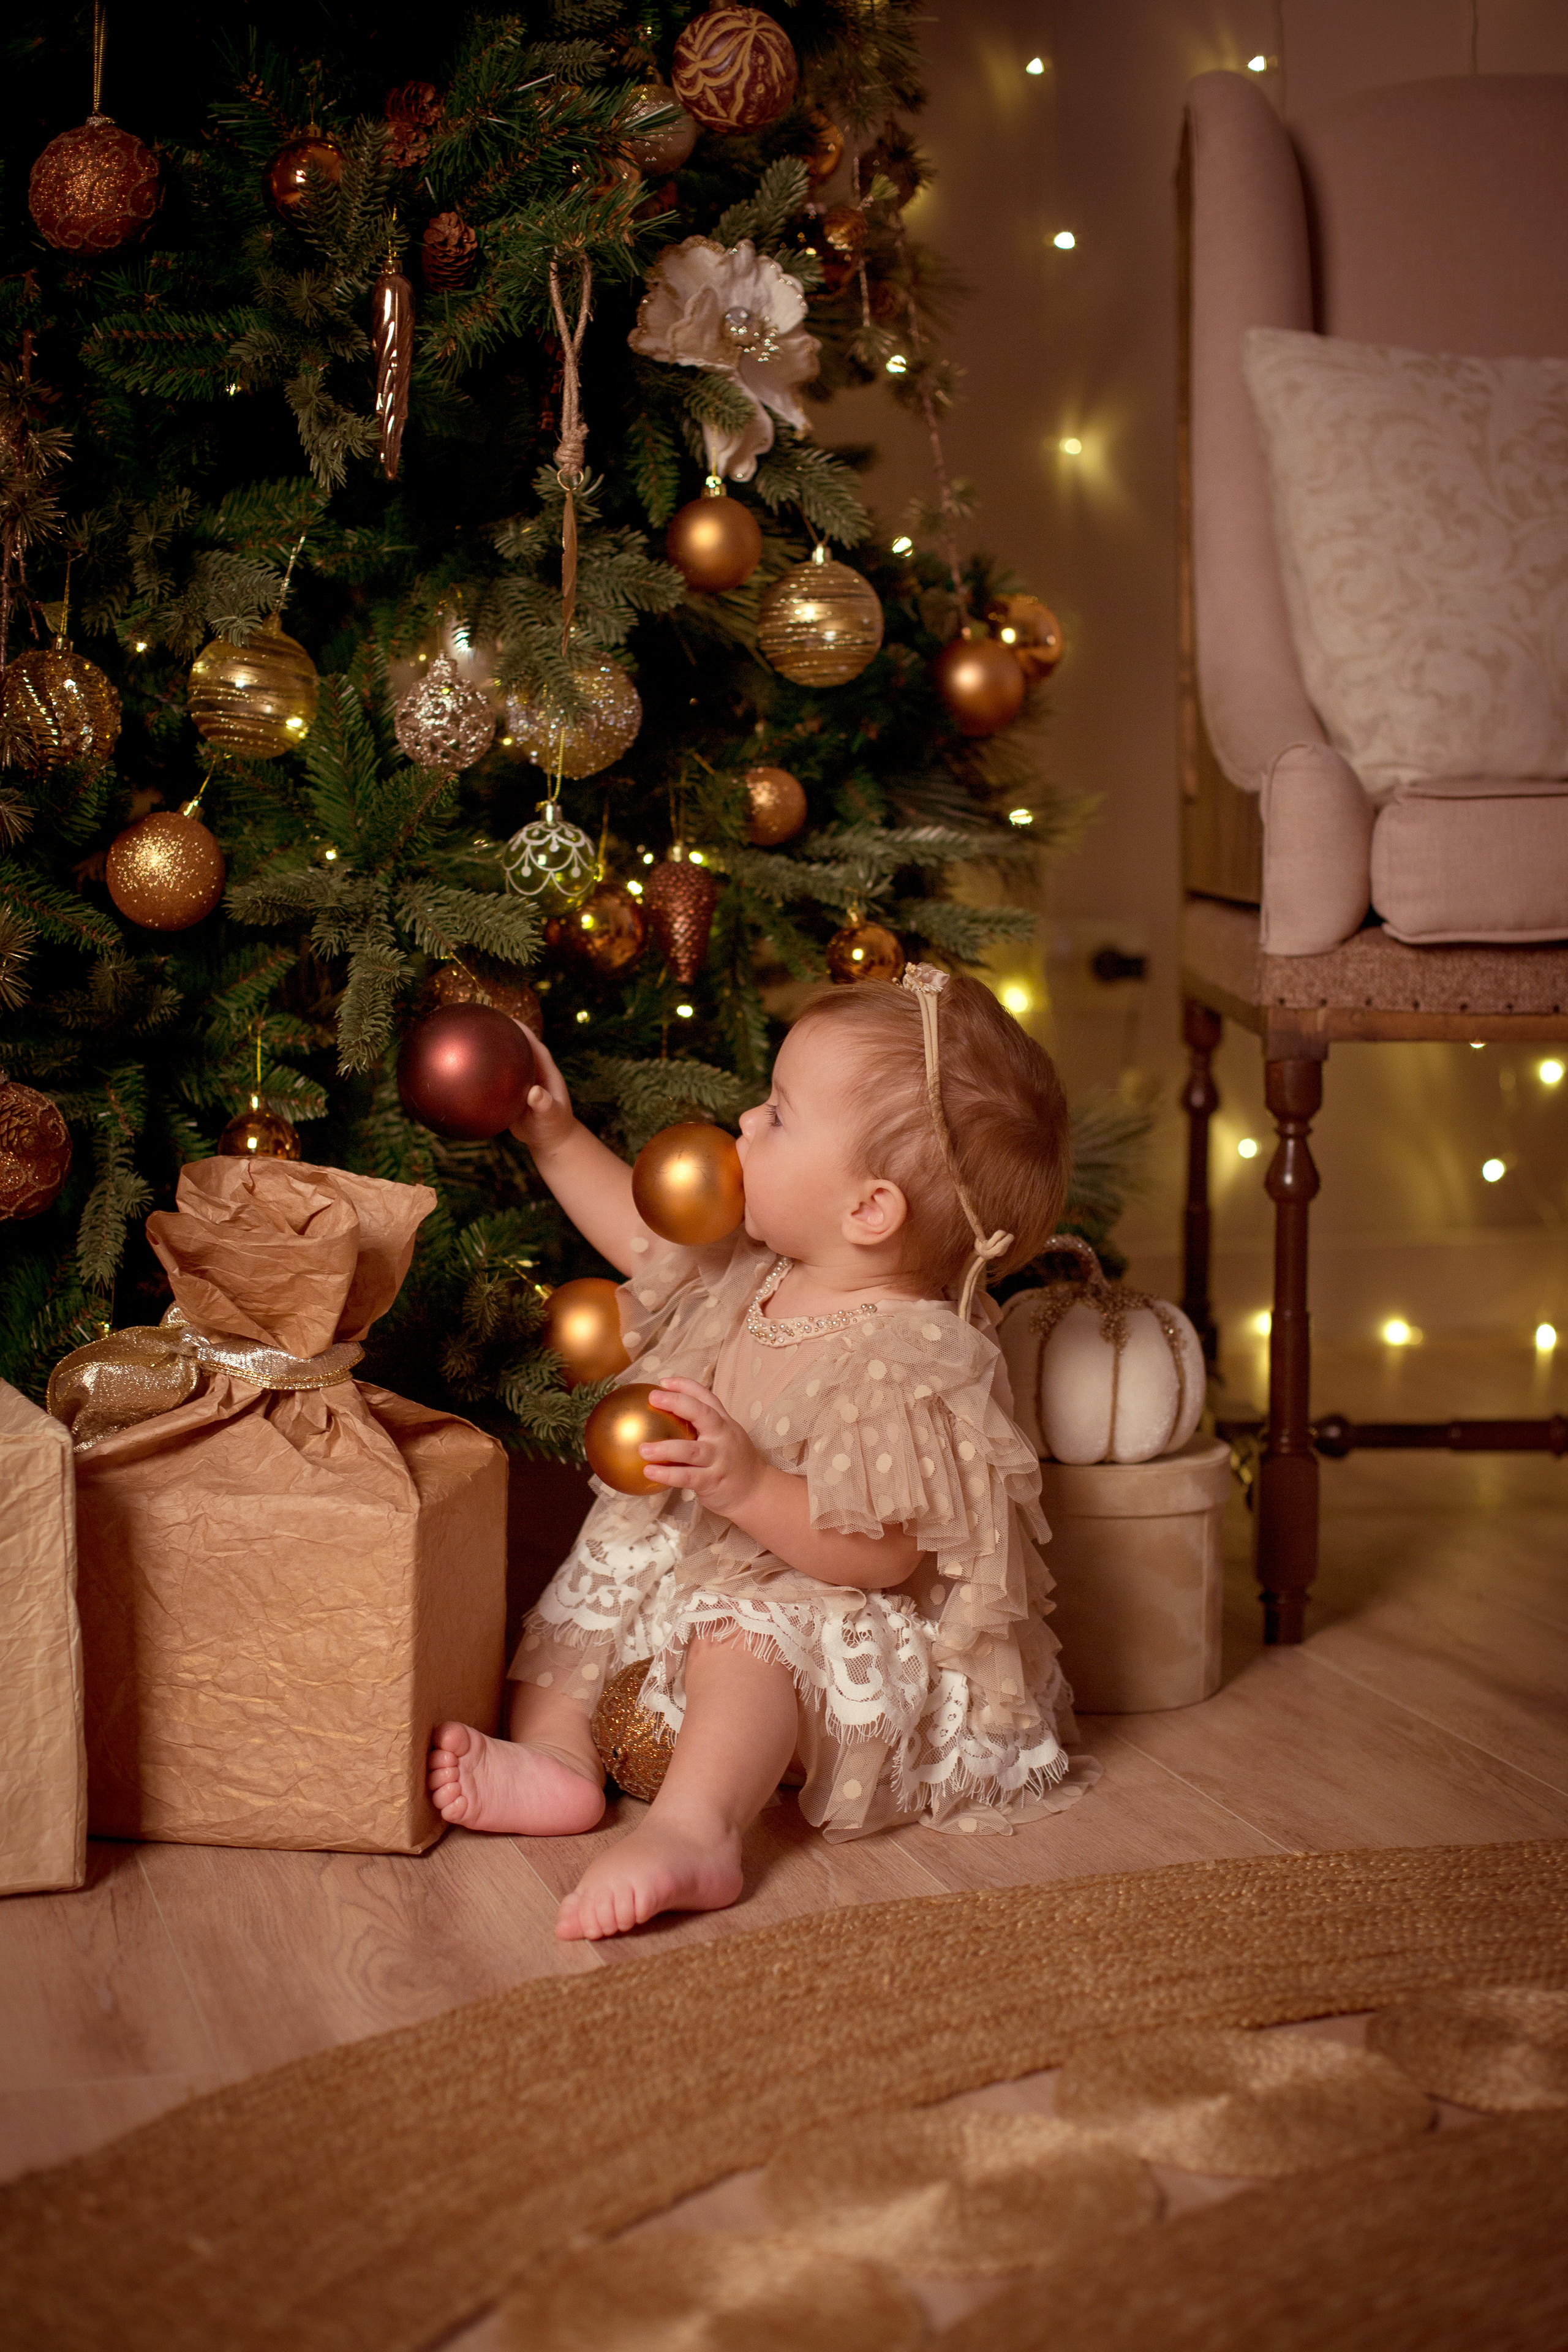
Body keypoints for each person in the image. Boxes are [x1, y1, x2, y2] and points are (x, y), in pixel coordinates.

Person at [428, 963, 1092, 1940]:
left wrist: (749, 1486)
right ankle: (559, 1760)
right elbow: (641, 1240)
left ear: (869, 1210)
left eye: (778, 1115)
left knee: (748, 1637)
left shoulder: (907, 1357)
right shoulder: (762, 1265)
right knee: (601, 1571)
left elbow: (883, 1555)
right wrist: (554, 1135)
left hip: (828, 1633)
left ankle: (697, 1828)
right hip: (702, 1573)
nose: (744, 1120)